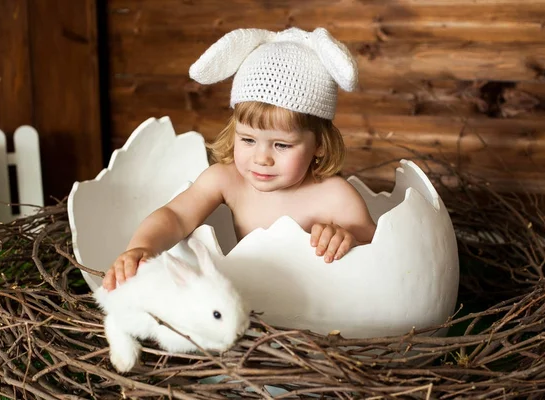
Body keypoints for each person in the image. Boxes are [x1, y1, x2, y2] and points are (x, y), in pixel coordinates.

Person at [103, 27, 377, 291]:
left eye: (281, 145)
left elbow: (381, 250)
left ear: (319, 144)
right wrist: (143, 247)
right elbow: (175, 216)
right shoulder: (226, 179)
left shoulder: (334, 196)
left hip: (318, 308)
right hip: (249, 302)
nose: (261, 158)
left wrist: (349, 239)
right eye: (247, 140)